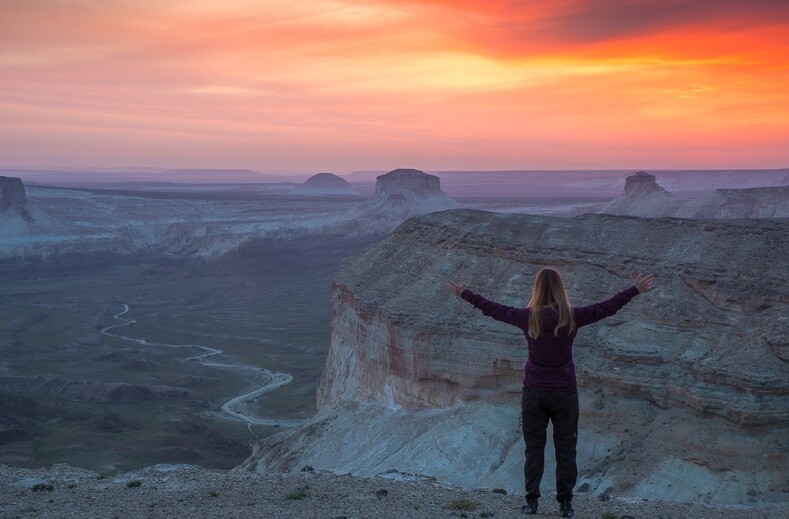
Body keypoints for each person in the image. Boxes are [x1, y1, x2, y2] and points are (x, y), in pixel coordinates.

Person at [447, 268, 655, 518]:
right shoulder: (572, 316)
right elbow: (606, 308)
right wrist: (634, 290)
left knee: (534, 448)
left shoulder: (526, 317)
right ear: (560, 288)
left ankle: (532, 502)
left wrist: (464, 294)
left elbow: (493, 309)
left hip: (534, 392)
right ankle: (565, 505)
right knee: (566, 448)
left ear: (536, 289)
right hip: (565, 393)